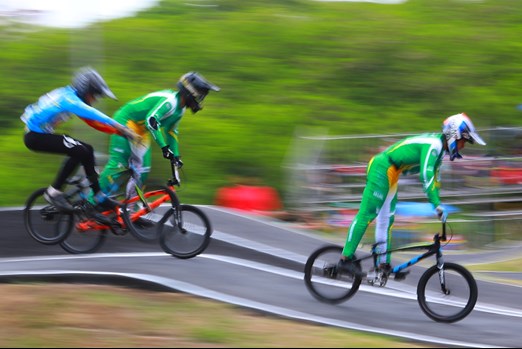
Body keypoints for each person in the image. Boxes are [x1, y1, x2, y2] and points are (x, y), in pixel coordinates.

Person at [337, 113, 486, 277]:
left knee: (386, 221)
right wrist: (435, 205)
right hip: (382, 167)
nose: (463, 146)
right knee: (367, 214)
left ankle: (383, 264)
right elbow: (426, 177)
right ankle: (345, 259)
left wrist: (439, 205)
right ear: (454, 135)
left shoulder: (438, 153)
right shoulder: (434, 145)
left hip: (392, 172)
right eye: (463, 141)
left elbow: (435, 182)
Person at [21, 66, 141, 216]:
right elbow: (94, 114)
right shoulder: (69, 99)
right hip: (34, 136)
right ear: (85, 90)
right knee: (78, 150)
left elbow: (93, 122)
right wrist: (121, 127)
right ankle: (53, 192)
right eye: (94, 95)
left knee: (87, 149)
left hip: (38, 135)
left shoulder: (71, 96)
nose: (95, 99)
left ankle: (99, 197)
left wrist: (118, 132)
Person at [97, 71, 220, 199]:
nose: (200, 99)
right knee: (118, 164)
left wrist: (176, 156)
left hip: (140, 130)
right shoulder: (171, 102)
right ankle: (92, 200)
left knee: (142, 172)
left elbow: (171, 132)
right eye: (200, 95)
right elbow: (151, 120)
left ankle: (128, 210)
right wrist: (164, 147)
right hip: (125, 121)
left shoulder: (180, 109)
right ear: (190, 92)